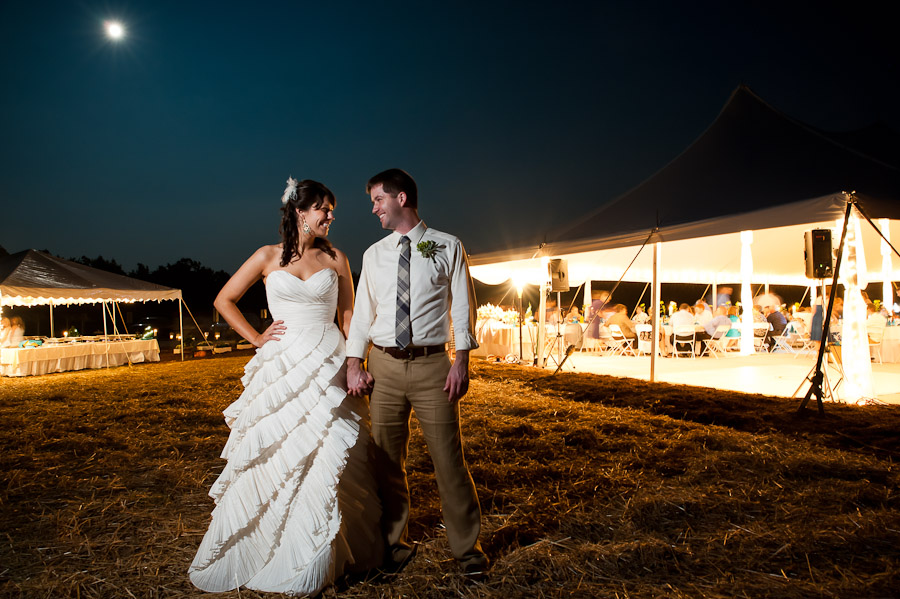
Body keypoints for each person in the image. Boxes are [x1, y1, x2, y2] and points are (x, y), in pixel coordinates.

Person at [189, 178, 382, 595]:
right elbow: (224, 300)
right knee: (278, 454)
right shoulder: (266, 256)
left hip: (328, 362)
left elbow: (348, 319)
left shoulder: (337, 258)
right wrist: (256, 338)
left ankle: (323, 553)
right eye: (324, 209)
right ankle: (269, 547)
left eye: (332, 211)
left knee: (327, 456)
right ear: (300, 211)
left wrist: (355, 363)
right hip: (282, 365)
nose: (330, 217)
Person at [346, 168, 489, 578]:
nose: (374, 208)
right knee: (387, 463)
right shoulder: (373, 255)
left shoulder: (448, 246)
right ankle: (393, 547)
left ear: (401, 198)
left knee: (449, 460)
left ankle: (468, 553)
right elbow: (362, 315)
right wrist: (355, 362)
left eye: (378, 200)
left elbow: (462, 307)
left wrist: (461, 361)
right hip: (384, 369)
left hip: (432, 368)